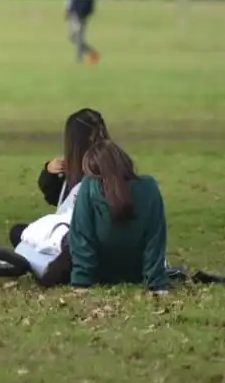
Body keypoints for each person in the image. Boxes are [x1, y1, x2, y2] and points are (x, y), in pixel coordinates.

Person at [11, 108, 108, 285]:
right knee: (19, 232)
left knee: (26, 238)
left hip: (83, 236)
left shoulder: (99, 171)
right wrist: (49, 173)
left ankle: (56, 267)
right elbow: (57, 200)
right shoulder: (75, 169)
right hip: (71, 234)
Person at [69, 134, 170, 293]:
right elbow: (155, 237)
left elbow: (82, 235)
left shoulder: (89, 187)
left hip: (100, 273)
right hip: (137, 272)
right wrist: (156, 281)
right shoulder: (149, 187)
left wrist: (81, 281)